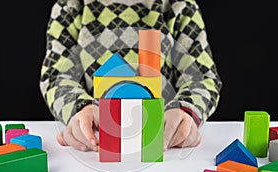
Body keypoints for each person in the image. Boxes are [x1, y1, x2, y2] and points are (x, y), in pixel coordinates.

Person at [40, 0, 222, 152]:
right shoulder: (69, 8)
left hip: (162, 147)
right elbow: (56, 76)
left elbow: (201, 77)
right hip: (99, 145)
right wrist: (80, 108)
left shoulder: (180, 6)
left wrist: (186, 111)